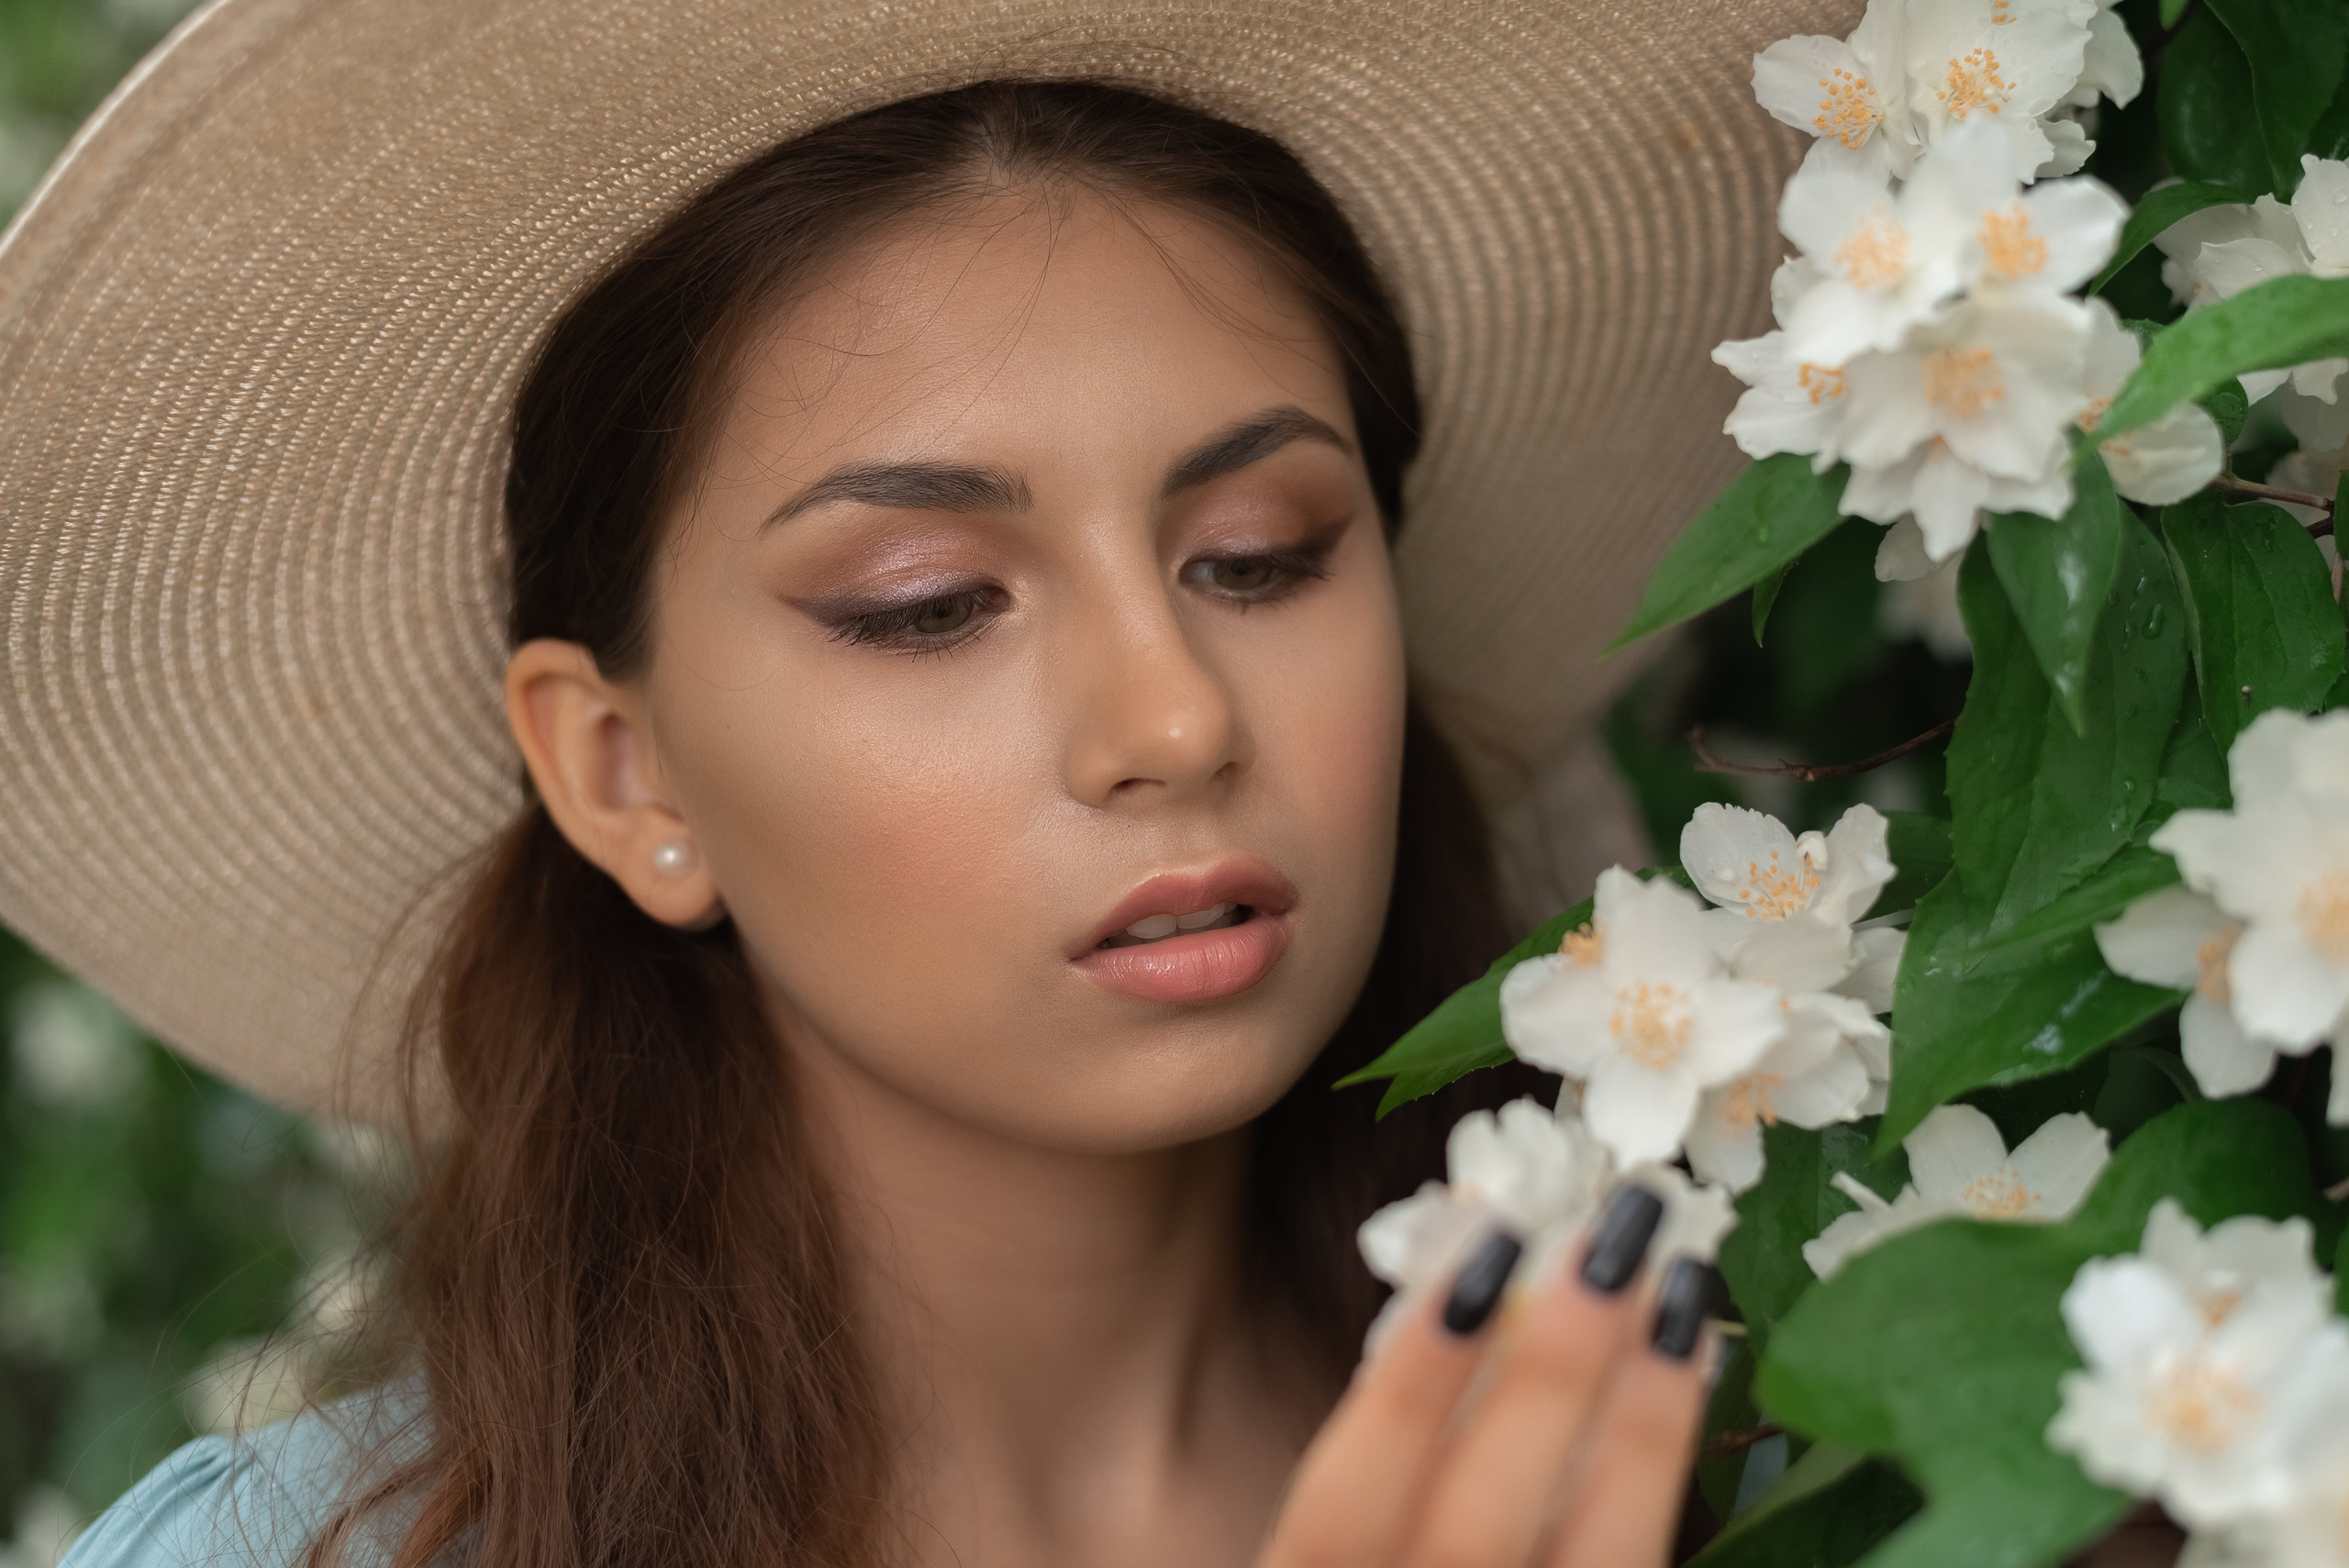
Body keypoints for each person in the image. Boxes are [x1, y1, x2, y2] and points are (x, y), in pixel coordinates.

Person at [0, 3, 1827, 1564]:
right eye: (929, 602)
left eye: (1258, 556)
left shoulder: (1762, 1450)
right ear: (626, 774)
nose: (1173, 718)